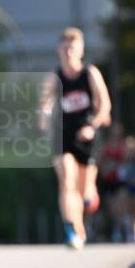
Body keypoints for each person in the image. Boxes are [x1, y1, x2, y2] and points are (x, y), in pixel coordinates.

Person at [39, 28, 111, 249]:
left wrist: (92, 125)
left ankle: (90, 197)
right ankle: (73, 229)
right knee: (67, 181)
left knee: (84, 193)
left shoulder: (90, 73)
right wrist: (42, 119)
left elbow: (105, 105)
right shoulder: (55, 77)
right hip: (64, 137)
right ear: (58, 50)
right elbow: (44, 103)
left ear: (81, 50)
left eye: (73, 47)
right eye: (65, 47)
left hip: (87, 138)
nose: (68, 51)